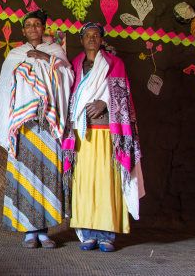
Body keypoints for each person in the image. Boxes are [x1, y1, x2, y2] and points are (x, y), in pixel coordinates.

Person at [0, 9, 74, 249]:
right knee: (25, 177)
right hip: (24, 127)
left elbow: (68, 77)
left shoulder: (55, 52)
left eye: (38, 24)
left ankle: (45, 232)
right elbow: (5, 87)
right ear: (23, 30)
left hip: (47, 125)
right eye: (29, 25)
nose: (34, 28)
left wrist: (45, 59)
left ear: (43, 28)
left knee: (48, 176)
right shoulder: (15, 54)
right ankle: (29, 232)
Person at [61, 22, 145, 252]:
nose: (91, 38)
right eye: (87, 35)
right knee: (85, 183)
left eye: (95, 35)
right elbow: (68, 95)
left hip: (108, 132)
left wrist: (104, 103)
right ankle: (87, 233)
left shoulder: (114, 63)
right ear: (81, 40)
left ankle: (107, 235)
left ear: (101, 39)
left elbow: (121, 95)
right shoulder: (74, 64)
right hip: (82, 132)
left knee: (108, 182)